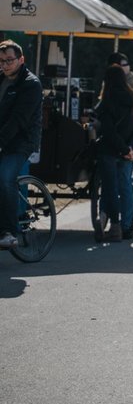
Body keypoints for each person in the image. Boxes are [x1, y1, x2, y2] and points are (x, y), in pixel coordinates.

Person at [0, 40, 42, 250]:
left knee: (5, 178)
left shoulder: (31, 84)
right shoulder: (1, 79)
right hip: (3, 138)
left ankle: (8, 232)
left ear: (21, 59)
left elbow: (19, 120)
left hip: (21, 141)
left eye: (9, 60)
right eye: (1, 61)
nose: (5, 65)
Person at [95, 65, 133, 241]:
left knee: (110, 188)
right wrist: (129, 148)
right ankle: (127, 225)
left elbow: (108, 130)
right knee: (126, 187)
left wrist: (122, 148)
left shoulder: (106, 101)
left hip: (109, 150)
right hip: (127, 151)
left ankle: (113, 224)